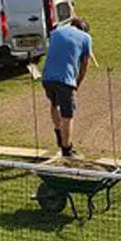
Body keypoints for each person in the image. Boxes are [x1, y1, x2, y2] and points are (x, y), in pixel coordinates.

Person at [42, 16, 92, 157]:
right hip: (65, 80)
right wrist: (77, 83)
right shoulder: (86, 38)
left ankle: (59, 135)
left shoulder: (56, 32)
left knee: (54, 105)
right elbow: (84, 65)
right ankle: (67, 149)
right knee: (68, 115)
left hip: (47, 78)